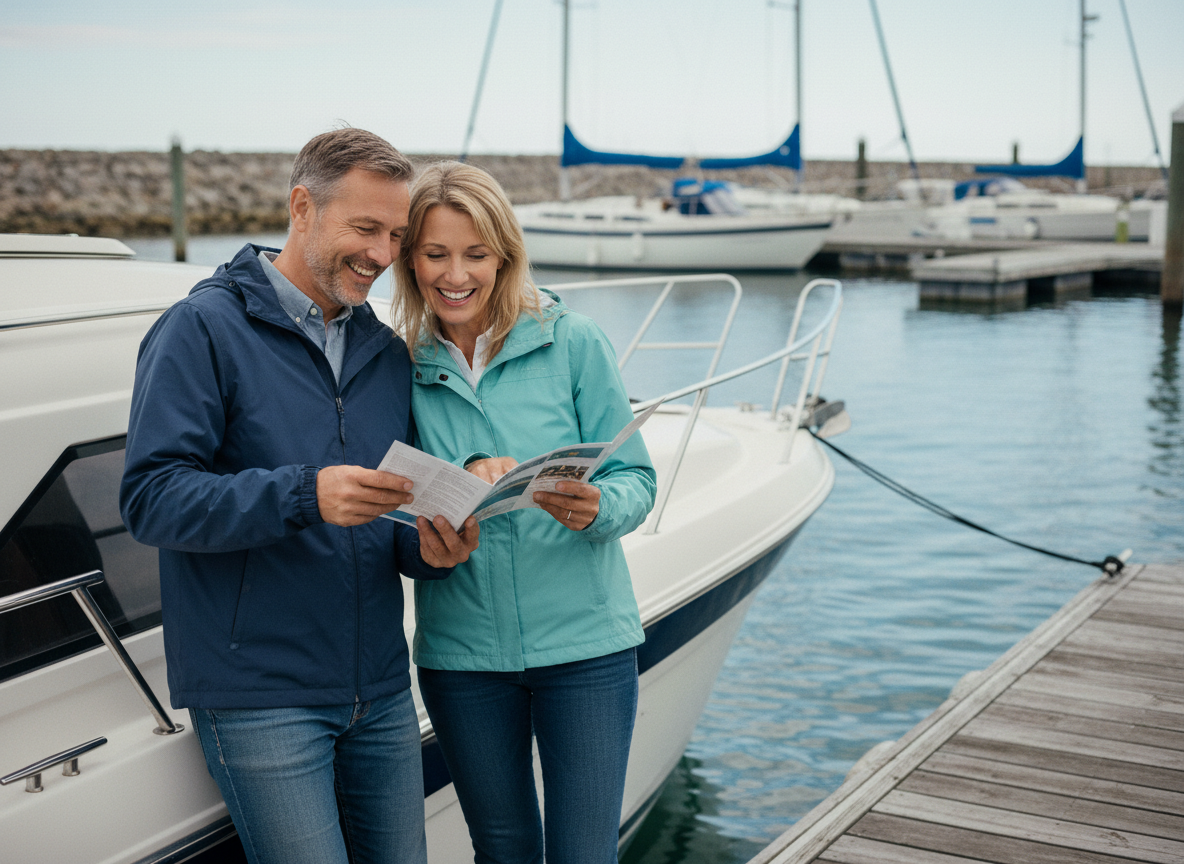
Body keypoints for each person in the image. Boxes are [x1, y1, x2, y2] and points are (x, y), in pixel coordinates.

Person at [120, 129, 479, 864]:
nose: (383, 255)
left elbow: (391, 515)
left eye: (396, 234)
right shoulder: (201, 329)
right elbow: (152, 498)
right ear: (302, 207)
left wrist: (434, 547)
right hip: (261, 696)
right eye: (365, 229)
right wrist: (305, 495)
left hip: (378, 687)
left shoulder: (383, 351)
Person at [391, 161, 656, 864]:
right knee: (503, 851)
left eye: (476, 254)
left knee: (583, 854)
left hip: (587, 649)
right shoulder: (396, 363)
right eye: (436, 253)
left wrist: (598, 505)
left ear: (504, 255)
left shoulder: (574, 342)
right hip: (462, 657)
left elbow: (637, 479)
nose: (456, 274)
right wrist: (447, 500)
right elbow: (391, 504)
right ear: (410, 257)